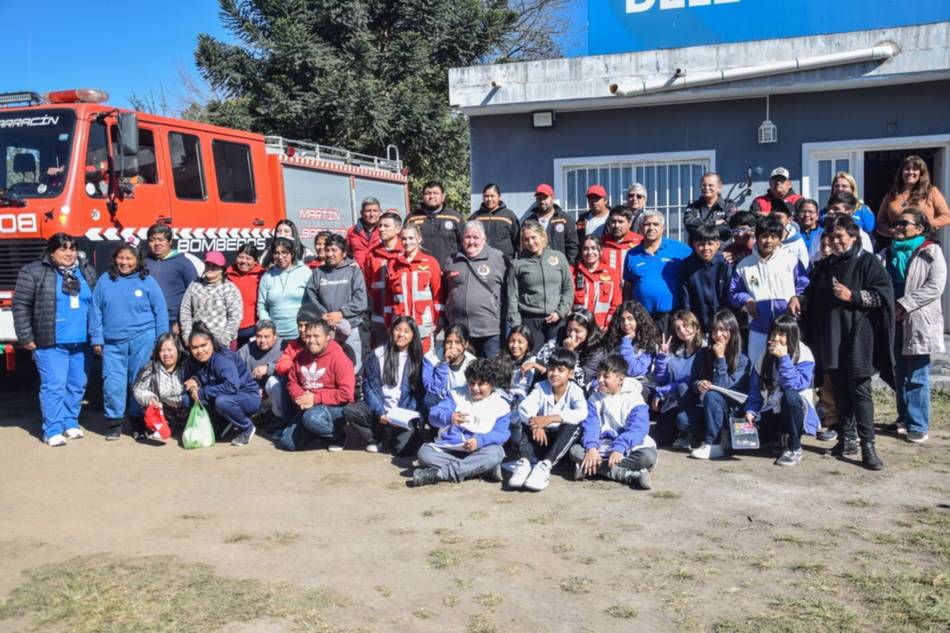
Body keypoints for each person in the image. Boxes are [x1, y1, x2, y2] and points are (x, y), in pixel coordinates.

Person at [803, 215, 895, 470]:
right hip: (832, 336)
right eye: (831, 237)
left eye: (840, 236)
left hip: (858, 336)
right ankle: (846, 438)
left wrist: (853, 296)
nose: (835, 241)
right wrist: (799, 300)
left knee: (860, 391)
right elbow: (811, 294)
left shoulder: (868, 262)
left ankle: (868, 446)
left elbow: (883, 296)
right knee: (840, 388)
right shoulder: (825, 265)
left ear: (854, 237)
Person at [13, 233, 97, 446]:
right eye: (63, 249)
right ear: (51, 252)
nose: (69, 253)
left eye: (72, 248)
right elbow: (21, 304)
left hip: (83, 341)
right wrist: (25, 335)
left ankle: (70, 421)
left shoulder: (86, 269)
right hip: (50, 341)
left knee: (77, 384)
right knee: (54, 385)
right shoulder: (34, 271)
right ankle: (52, 429)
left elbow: (96, 302)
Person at [90, 244, 169, 440]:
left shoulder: (148, 281)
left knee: (139, 382)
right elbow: (95, 310)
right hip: (112, 342)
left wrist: (163, 340)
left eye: (129, 259)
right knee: (113, 383)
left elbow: (160, 311)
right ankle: (114, 422)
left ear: (137, 261)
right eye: (121, 258)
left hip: (143, 339)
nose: (124, 262)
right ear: (114, 259)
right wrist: (96, 337)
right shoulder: (105, 281)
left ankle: (138, 421)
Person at [882, 208, 945, 444]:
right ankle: (904, 418)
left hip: (917, 319)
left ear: (919, 228)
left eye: (904, 223)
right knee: (899, 372)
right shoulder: (888, 252)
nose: (898, 227)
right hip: (894, 319)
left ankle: (919, 425)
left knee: (917, 374)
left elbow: (935, 286)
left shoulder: (931, 250)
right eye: (896, 223)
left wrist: (905, 304)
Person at [412, 359, 511, 487]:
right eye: (472, 383)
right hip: (451, 446)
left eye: (481, 384)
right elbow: (433, 415)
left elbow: (501, 434)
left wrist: (479, 441)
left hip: (480, 449)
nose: (475, 388)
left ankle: (439, 475)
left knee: (494, 454)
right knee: (424, 454)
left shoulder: (501, 405)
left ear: (492, 384)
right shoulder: (456, 394)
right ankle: (480, 469)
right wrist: (448, 417)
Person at [342, 316, 432, 456]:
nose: (401, 334)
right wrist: (380, 412)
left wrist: (402, 416)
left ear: (413, 335)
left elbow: (417, 393)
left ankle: (406, 435)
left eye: (406, 331)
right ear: (391, 331)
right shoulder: (378, 354)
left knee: (402, 451)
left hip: (402, 412)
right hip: (380, 408)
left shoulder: (418, 360)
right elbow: (370, 386)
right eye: (397, 329)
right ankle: (376, 437)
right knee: (350, 411)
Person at [729, 215, 809, 364]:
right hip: (758, 327)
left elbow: (804, 283)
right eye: (764, 236)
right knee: (757, 367)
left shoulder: (791, 260)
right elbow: (734, 292)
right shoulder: (744, 265)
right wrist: (747, 300)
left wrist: (797, 297)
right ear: (757, 237)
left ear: (779, 239)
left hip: (787, 326)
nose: (768, 241)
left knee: (790, 364)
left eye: (773, 236)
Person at [509, 348, 589, 492]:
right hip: (541, 438)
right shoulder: (541, 387)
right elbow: (525, 407)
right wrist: (536, 426)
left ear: (570, 374)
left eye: (561, 370)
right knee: (526, 420)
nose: (555, 374)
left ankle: (545, 466)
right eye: (551, 369)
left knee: (574, 425)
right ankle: (524, 462)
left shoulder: (575, 390)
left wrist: (549, 419)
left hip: (560, 445)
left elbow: (582, 413)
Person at [569, 354, 655, 489]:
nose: (600, 380)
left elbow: (638, 428)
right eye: (598, 376)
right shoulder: (594, 398)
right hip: (602, 447)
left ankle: (590, 469)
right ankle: (630, 476)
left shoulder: (635, 398)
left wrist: (620, 447)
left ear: (620, 379)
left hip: (628, 447)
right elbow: (591, 425)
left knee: (647, 457)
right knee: (575, 451)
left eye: (606, 376)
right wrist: (591, 447)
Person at [742, 315, 819, 466]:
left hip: (796, 409)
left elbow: (795, 385)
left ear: (792, 336)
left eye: (782, 335)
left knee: (790, 396)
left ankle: (795, 447)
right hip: (771, 407)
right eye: (773, 334)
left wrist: (784, 358)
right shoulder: (764, 356)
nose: (776, 338)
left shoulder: (804, 354)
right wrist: (750, 410)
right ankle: (780, 436)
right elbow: (755, 388)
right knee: (756, 441)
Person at [276, 319, 355, 452]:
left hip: (336, 407)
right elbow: (292, 381)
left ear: (327, 337)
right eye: (308, 336)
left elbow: (346, 394)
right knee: (288, 443)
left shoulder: (340, 358)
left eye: (316, 336)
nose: (311, 340)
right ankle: (317, 433)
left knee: (312, 418)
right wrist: (301, 396)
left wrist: (315, 398)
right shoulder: (301, 356)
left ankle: (338, 436)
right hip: (309, 405)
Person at [182, 321, 261, 446]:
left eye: (204, 345)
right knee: (187, 399)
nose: (200, 351)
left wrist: (202, 392)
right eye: (194, 347)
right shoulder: (192, 361)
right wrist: (193, 385)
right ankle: (220, 423)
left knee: (222, 402)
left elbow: (232, 386)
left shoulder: (223, 359)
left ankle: (247, 428)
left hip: (246, 396)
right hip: (220, 395)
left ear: (212, 343)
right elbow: (188, 381)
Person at [686, 310, 750, 459]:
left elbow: (724, 387)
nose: (718, 335)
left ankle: (713, 444)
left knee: (713, 395)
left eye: (723, 330)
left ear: (732, 331)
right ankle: (720, 435)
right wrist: (699, 385)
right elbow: (693, 381)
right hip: (709, 407)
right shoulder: (703, 353)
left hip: (732, 409)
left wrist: (720, 358)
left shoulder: (742, 358)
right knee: (683, 420)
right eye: (714, 331)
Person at [302, 233, 367, 370]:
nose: (330, 254)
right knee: (328, 368)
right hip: (326, 329)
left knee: (352, 368)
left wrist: (341, 313)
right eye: (327, 250)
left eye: (334, 250)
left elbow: (361, 301)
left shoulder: (353, 271)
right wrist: (323, 313)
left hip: (350, 328)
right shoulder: (318, 272)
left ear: (343, 253)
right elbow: (310, 294)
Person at [442, 221, 506, 359]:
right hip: (459, 332)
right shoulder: (452, 260)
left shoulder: (498, 258)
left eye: (475, 237)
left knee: (490, 373)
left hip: (489, 331)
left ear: (484, 239)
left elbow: (509, 291)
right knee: (462, 374)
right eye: (467, 237)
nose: (471, 241)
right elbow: (444, 292)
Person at [507, 220, 573, 352]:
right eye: (526, 239)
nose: (530, 243)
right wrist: (516, 325)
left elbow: (568, 288)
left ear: (542, 236)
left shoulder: (559, 258)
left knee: (556, 360)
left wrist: (560, 312)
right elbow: (512, 296)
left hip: (556, 320)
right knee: (534, 360)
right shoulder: (517, 264)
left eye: (533, 237)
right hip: (530, 320)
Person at [622, 210, 693, 333]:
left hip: (671, 317)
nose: (651, 228)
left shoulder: (680, 249)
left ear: (663, 228)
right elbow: (628, 287)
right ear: (640, 228)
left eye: (655, 224)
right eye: (647, 224)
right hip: (642, 318)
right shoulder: (632, 254)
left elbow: (700, 259)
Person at [387, 223, 442, 354]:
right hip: (401, 324)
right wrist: (388, 322)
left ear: (419, 239)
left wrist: (438, 321)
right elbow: (390, 296)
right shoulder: (393, 264)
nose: (407, 242)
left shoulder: (430, 262)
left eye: (411, 238)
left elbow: (438, 296)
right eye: (404, 239)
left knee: (425, 363)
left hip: (423, 324)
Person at [652, 310, 704, 448]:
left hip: (696, 400)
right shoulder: (677, 350)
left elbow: (692, 380)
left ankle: (692, 435)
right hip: (674, 401)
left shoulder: (704, 350)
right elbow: (662, 379)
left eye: (686, 325)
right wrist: (662, 358)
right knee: (661, 440)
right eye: (678, 328)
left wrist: (667, 389)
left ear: (695, 325)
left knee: (682, 388)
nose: (682, 331)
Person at [143, 223, 201, 334]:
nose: (156, 243)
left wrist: (181, 321)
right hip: (147, 321)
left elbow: (195, 294)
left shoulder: (183, 263)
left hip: (173, 322)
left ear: (169, 242)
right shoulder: (143, 263)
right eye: (152, 240)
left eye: (161, 240)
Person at [179, 251, 243, 349]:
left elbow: (235, 317)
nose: (210, 268)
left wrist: (223, 340)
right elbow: (185, 310)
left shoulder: (230, 288)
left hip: (222, 344)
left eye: (214, 266)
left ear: (222, 269)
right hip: (198, 342)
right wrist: (187, 336)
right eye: (208, 265)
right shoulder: (194, 285)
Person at [876, 155, 950, 240]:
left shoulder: (931, 192)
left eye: (915, 169)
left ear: (921, 173)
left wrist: (925, 226)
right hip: (899, 244)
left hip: (924, 242)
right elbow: (880, 223)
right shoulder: (891, 195)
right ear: (901, 172)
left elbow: (947, 216)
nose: (910, 172)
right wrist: (893, 232)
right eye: (907, 169)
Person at [533, 309, 606, 391]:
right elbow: (541, 360)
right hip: (551, 383)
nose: (572, 334)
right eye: (569, 330)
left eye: (577, 331)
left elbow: (582, 380)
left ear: (588, 332)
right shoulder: (560, 338)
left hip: (577, 390)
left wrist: (570, 352)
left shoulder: (596, 351)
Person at [132, 333, 189, 438]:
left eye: (169, 350)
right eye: (162, 350)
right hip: (164, 412)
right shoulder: (151, 367)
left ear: (178, 350)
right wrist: (149, 398)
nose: (166, 354)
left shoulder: (188, 365)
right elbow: (138, 389)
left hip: (187, 410)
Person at [680, 223, 732, 333]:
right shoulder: (687, 266)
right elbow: (685, 298)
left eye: (710, 244)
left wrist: (723, 322)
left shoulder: (725, 264)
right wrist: (689, 322)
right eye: (701, 244)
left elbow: (728, 298)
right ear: (694, 245)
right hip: (696, 324)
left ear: (718, 245)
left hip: (722, 325)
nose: (706, 248)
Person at [257, 237, 312, 342]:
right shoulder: (267, 276)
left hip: (300, 334)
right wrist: (268, 327)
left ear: (292, 253)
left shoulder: (305, 272)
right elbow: (262, 305)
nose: (280, 257)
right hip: (275, 337)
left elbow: (311, 302)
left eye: (284, 252)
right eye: (276, 253)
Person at [363, 211, 404, 345]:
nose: (381, 229)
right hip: (378, 315)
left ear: (398, 229)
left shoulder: (405, 251)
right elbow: (368, 282)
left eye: (386, 226)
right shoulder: (372, 254)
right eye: (380, 226)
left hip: (401, 314)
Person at [404, 180, 464, 269]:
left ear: (443, 197)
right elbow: (403, 243)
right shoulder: (412, 218)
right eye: (427, 193)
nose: (431, 196)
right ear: (422, 197)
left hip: (449, 271)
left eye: (435, 193)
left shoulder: (455, 218)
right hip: (420, 269)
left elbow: (464, 244)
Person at [572, 235, 622, 330]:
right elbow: (567, 301)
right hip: (578, 328)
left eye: (594, 248)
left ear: (601, 251)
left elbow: (616, 303)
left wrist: (608, 324)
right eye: (586, 249)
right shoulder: (571, 272)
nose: (590, 252)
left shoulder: (612, 274)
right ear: (581, 251)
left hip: (602, 328)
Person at [604, 300, 660, 379]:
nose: (626, 323)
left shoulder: (649, 343)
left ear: (639, 320)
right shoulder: (614, 340)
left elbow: (634, 371)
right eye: (622, 320)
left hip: (641, 384)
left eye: (630, 318)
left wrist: (626, 342)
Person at [524, 183, 578, 262]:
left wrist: (569, 266)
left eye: (545, 198)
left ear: (552, 198)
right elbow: (522, 246)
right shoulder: (529, 222)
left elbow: (573, 246)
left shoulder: (564, 220)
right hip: (535, 266)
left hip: (558, 266)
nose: (542, 201)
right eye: (539, 198)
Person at [227, 243, 265, 348]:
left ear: (255, 261)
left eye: (248, 258)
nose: (243, 261)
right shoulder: (226, 275)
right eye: (240, 257)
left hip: (253, 331)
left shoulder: (262, 276)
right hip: (230, 331)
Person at [426, 323, 477, 401]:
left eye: (458, 342)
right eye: (449, 342)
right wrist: (444, 364)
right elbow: (432, 390)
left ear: (466, 344)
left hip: (462, 401)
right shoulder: (431, 357)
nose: (452, 347)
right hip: (438, 400)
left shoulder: (472, 363)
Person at [470, 183, 520, 261]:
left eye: (492, 196)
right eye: (486, 196)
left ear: (499, 197)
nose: (489, 199)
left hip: (504, 262)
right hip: (480, 261)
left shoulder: (509, 216)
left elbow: (518, 241)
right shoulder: (476, 217)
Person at [683, 172, 737, 241]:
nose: (706, 188)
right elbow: (689, 224)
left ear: (719, 188)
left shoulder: (729, 206)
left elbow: (728, 229)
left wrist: (701, 226)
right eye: (703, 185)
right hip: (699, 249)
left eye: (710, 185)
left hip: (723, 250)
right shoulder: (693, 206)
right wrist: (714, 222)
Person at [495, 325, 537, 410]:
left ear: (528, 344)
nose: (515, 345)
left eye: (520, 342)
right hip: (502, 402)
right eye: (512, 341)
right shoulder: (501, 358)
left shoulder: (534, 361)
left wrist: (535, 365)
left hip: (524, 405)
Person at [600, 205, 642, 286]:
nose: (616, 225)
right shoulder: (601, 243)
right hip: (609, 292)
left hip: (633, 292)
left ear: (629, 223)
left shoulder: (640, 242)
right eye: (613, 221)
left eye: (620, 222)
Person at [237, 319, 282, 389]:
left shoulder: (283, 347)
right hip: (251, 389)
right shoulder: (247, 348)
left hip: (275, 391)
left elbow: (290, 368)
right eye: (259, 336)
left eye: (266, 337)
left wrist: (269, 368)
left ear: (275, 336)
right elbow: (233, 365)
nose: (262, 340)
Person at [769, 205, 810, 269]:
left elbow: (803, 266)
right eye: (772, 217)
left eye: (779, 217)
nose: (775, 220)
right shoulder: (765, 238)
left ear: (790, 220)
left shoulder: (797, 241)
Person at [346, 197, 382, 268]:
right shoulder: (352, 231)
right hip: (359, 275)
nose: (372, 214)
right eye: (368, 211)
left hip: (379, 274)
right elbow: (346, 254)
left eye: (375, 211)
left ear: (380, 212)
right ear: (361, 213)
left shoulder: (384, 230)